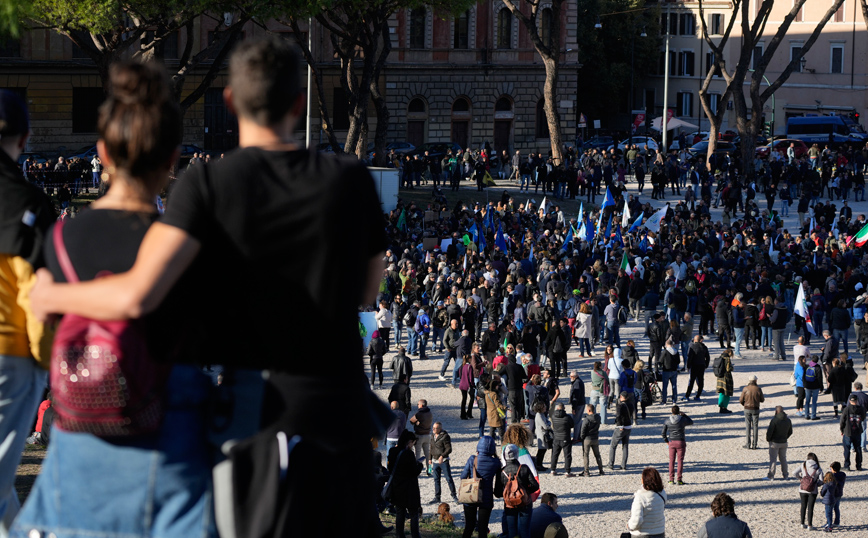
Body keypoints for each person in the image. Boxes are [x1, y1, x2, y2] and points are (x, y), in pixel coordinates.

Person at [30, 37, 390, 536]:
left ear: (229, 100)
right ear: (299, 104)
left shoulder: (207, 185)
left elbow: (139, 291)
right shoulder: (350, 178)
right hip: (341, 417)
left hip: (258, 419)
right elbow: (367, 293)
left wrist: (50, 295)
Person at [12, 63, 220, 538]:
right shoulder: (178, 242)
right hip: (168, 438)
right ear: (174, 157)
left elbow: (46, 335)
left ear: (102, 152)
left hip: (80, 435)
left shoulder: (62, 235)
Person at [0, 89, 54, 536]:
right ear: (25, 138)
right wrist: (45, 363)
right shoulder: (31, 201)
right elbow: (40, 298)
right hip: (11, 354)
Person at [459, 436, 502, 538]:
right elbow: (498, 483)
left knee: (469, 526)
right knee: (483, 528)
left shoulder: (472, 459)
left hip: (471, 495)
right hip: (486, 498)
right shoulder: (496, 462)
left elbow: (463, 476)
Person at [495, 444, 540, 538]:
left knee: (512, 531)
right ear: (517, 455)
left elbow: (497, 493)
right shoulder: (524, 468)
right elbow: (535, 486)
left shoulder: (501, 472)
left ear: (504, 455)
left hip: (510, 504)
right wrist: (526, 491)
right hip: (525, 502)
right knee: (525, 530)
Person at [387, 430, 423, 538]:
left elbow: (390, 468)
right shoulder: (409, 454)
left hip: (397, 487)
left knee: (400, 512)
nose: (413, 445)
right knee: (413, 513)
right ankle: (415, 535)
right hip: (410, 488)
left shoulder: (393, 451)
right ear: (409, 442)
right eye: (413, 443)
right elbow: (414, 472)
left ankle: (399, 535)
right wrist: (420, 465)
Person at [626, 467, 667, 538]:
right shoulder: (662, 493)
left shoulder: (640, 496)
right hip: (659, 532)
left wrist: (629, 526)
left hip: (642, 534)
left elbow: (637, 520)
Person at [661, 405, 693, 485]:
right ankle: (679, 479)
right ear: (679, 412)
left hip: (671, 441)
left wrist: (666, 441)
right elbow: (691, 422)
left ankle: (671, 479)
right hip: (681, 441)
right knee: (680, 461)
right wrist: (684, 415)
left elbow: (663, 433)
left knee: (671, 461)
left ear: (671, 411)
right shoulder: (682, 420)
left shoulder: (667, 420)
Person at [430, 422, 458, 504]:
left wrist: (442, 456)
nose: (434, 430)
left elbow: (449, 449)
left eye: (436, 428)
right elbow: (431, 447)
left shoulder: (445, 436)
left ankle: (454, 495)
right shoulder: (432, 436)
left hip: (444, 461)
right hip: (435, 461)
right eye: (433, 428)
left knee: (448, 478)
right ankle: (437, 497)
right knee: (436, 479)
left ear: (440, 428)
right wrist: (429, 458)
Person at [794, 452, 823, 531]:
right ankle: (810, 525)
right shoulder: (818, 468)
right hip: (813, 490)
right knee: (810, 507)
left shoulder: (803, 465)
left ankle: (802, 523)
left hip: (802, 488)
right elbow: (821, 480)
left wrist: (800, 478)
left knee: (803, 506)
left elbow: (794, 473)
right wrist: (816, 485)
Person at [838, 393, 866, 471]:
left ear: (850, 401)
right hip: (857, 431)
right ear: (856, 401)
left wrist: (842, 429)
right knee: (858, 449)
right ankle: (859, 465)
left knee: (847, 449)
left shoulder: (846, 409)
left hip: (848, 431)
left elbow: (842, 420)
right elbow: (863, 418)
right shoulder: (861, 409)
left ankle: (847, 465)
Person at [765, 405, 793, 480]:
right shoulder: (788, 420)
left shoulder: (774, 420)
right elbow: (790, 432)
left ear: (776, 411)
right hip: (784, 442)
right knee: (783, 459)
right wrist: (785, 437)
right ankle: (785, 475)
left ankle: (771, 475)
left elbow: (770, 432)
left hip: (774, 442)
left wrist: (769, 439)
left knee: (773, 459)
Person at [738, 375, 765, 450]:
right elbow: (762, 400)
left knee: (748, 426)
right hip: (756, 409)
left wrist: (745, 404)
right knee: (755, 426)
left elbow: (740, 400)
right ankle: (755, 444)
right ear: (756, 381)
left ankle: (748, 444)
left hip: (747, 409)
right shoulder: (758, 389)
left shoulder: (745, 389)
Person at [608, 392, 633, 471]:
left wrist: (620, 425)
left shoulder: (620, 406)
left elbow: (618, 416)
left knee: (613, 445)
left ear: (621, 397)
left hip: (621, 427)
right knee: (625, 446)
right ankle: (623, 465)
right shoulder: (631, 405)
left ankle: (611, 464)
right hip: (628, 426)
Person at [549, 403, 574, 477]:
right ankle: (567, 471)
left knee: (555, 454)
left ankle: (553, 469)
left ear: (557, 408)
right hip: (565, 438)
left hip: (556, 438)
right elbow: (572, 425)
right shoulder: (567, 417)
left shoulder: (553, 416)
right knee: (567, 455)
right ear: (564, 408)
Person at [409, 400, 433, 473]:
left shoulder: (419, 414)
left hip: (419, 435)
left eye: (418, 404)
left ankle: (417, 470)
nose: (417, 405)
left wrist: (417, 422)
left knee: (418, 454)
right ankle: (429, 470)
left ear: (421, 405)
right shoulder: (430, 413)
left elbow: (411, 421)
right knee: (428, 454)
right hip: (428, 435)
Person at [684, 335, 709, 401]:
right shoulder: (704, 347)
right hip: (702, 365)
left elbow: (689, 357)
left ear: (695, 340)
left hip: (694, 366)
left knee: (691, 381)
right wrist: (706, 365)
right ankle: (698, 395)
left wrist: (688, 366)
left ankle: (687, 396)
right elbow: (708, 357)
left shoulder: (692, 347)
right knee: (701, 381)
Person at [803, 355, 825, 420]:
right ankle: (813, 415)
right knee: (814, 402)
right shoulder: (818, 367)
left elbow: (803, 377)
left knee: (807, 401)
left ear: (812, 360)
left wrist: (804, 385)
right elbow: (820, 378)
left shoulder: (807, 366)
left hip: (807, 386)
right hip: (815, 386)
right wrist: (821, 387)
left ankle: (806, 415)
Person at [533, 402, 552, 473]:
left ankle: (539, 464)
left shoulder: (541, 414)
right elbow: (546, 426)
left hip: (543, 434)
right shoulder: (539, 416)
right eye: (544, 407)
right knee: (541, 451)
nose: (545, 408)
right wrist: (549, 425)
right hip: (542, 435)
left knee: (542, 451)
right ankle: (538, 465)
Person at [829, 461, 846, 529]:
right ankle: (837, 522)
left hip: (834, 494)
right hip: (839, 493)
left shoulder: (833, 476)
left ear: (834, 469)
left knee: (830, 509)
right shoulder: (843, 474)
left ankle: (829, 523)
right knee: (836, 508)